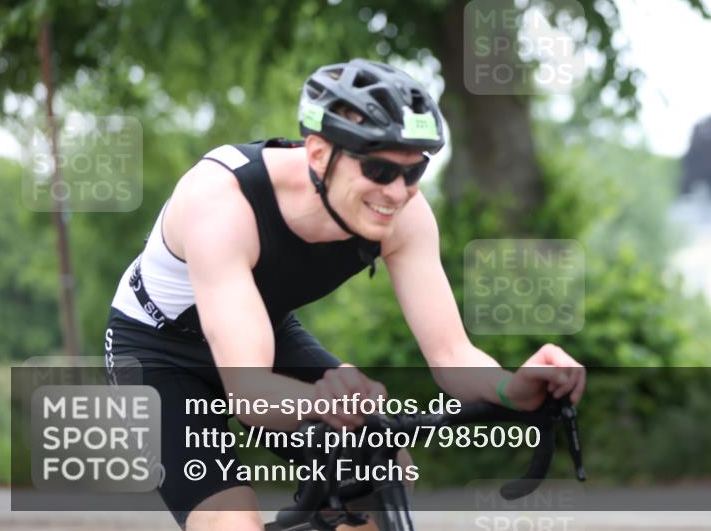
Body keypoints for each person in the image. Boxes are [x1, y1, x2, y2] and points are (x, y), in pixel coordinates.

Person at [103, 59, 587, 531]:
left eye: (413, 172)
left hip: (261, 333)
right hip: (156, 350)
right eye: (378, 169)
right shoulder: (222, 201)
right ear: (318, 155)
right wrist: (318, 399)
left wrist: (512, 388)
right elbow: (249, 391)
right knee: (230, 521)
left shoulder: (403, 215)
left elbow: (451, 353)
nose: (397, 192)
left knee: (383, 464)